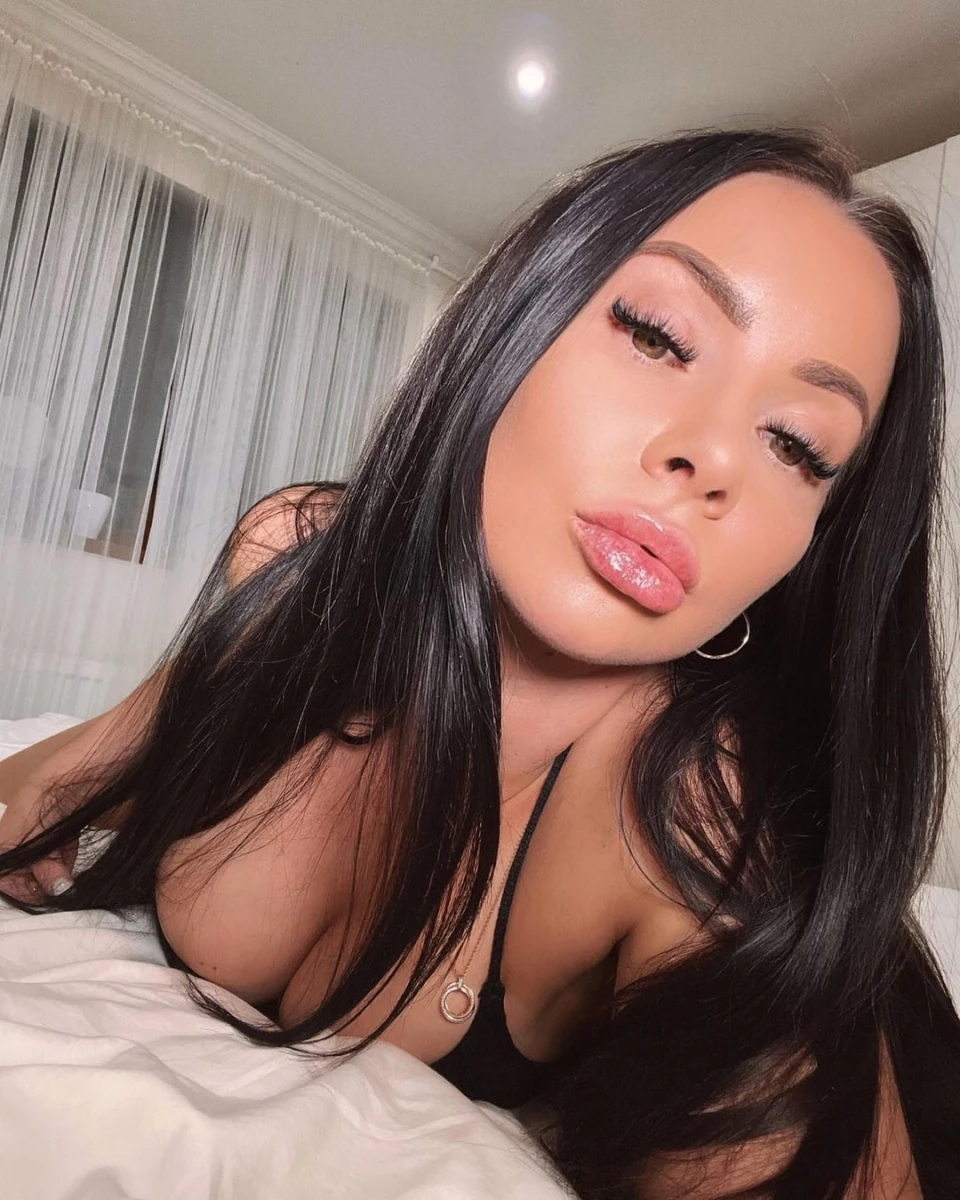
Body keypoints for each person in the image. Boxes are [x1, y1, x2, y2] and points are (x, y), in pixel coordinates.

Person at [1, 125, 958, 1199]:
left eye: (798, 446)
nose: (714, 458)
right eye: (657, 334)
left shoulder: (693, 812)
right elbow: (84, 766)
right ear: (518, 314)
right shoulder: (293, 557)